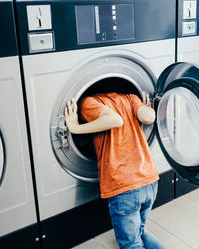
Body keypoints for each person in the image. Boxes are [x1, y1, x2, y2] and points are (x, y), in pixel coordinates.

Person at [64, 91, 165, 249]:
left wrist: (76, 128)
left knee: (132, 244)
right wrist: (146, 107)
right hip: (149, 180)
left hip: (125, 187)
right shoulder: (130, 97)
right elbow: (149, 117)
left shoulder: (88, 102)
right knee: (140, 231)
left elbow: (115, 120)